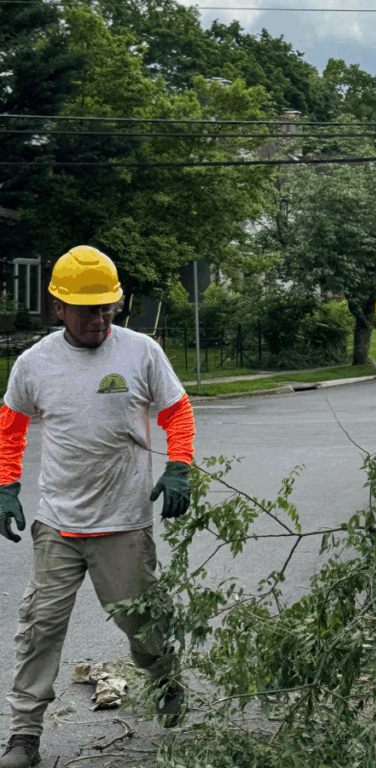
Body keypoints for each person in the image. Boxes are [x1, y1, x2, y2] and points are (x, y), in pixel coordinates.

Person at [0, 246, 196, 768]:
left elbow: (177, 411)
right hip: (58, 525)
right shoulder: (34, 362)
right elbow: (11, 427)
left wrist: (180, 466)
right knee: (39, 628)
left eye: (108, 306)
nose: (100, 318)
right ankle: (24, 734)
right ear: (58, 307)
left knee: (146, 629)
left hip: (124, 524)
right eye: (89, 309)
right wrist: (5, 485)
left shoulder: (140, 352)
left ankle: (165, 679)